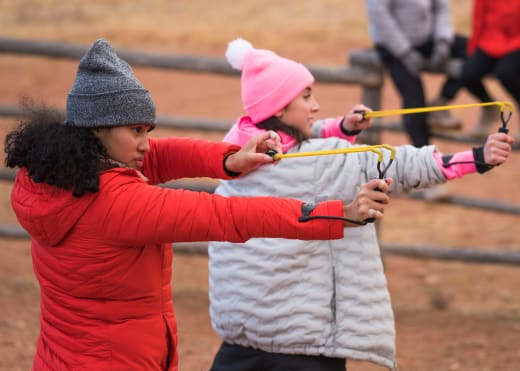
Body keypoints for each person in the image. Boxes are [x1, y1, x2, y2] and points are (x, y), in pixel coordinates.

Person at [3, 39, 392, 371]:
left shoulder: (57, 173)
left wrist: (229, 159)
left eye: (147, 130)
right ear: (97, 129)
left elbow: (159, 156)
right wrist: (337, 213)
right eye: (135, 131)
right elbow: (229, 215)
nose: (145, 143)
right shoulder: (119, 204)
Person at [207, 38, 514, 371]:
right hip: (303, 346)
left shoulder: (237, 155)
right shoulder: (320, 164)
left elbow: (297, 140)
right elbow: (397, 164)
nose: (315, 106)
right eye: (306, 96)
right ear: (279, 109)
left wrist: (341, 127)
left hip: (239, 345)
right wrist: (477, 158)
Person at [365, 0, 495, 147]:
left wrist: (443, 41)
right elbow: (380, 17)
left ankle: (449, 101)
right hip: (392, 46)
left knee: (476, 53)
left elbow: (441, 7)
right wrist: (404, 52)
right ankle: (423, 158)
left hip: (428, 38)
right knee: (415, 105)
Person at [459, 0, 520, 139]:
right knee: (468, 73)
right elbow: (478, 19)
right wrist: (473, 50)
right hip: (490, 40)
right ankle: (490, 106)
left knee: (506, 73)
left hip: (517, 42)